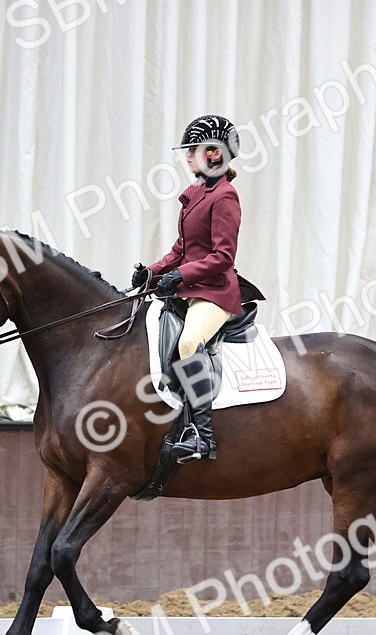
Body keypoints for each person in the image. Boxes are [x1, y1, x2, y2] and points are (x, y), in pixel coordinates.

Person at [132, 114, 245, 463]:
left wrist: (181, 276)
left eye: (193, 150)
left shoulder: (225, 196)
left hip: (214, 292)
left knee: (188, 342)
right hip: (190, 289)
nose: (187, 155)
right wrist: (151, 273)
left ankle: (201, 437)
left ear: (215, 153)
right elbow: (181, 249)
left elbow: (223, 256)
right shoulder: (197, 193)